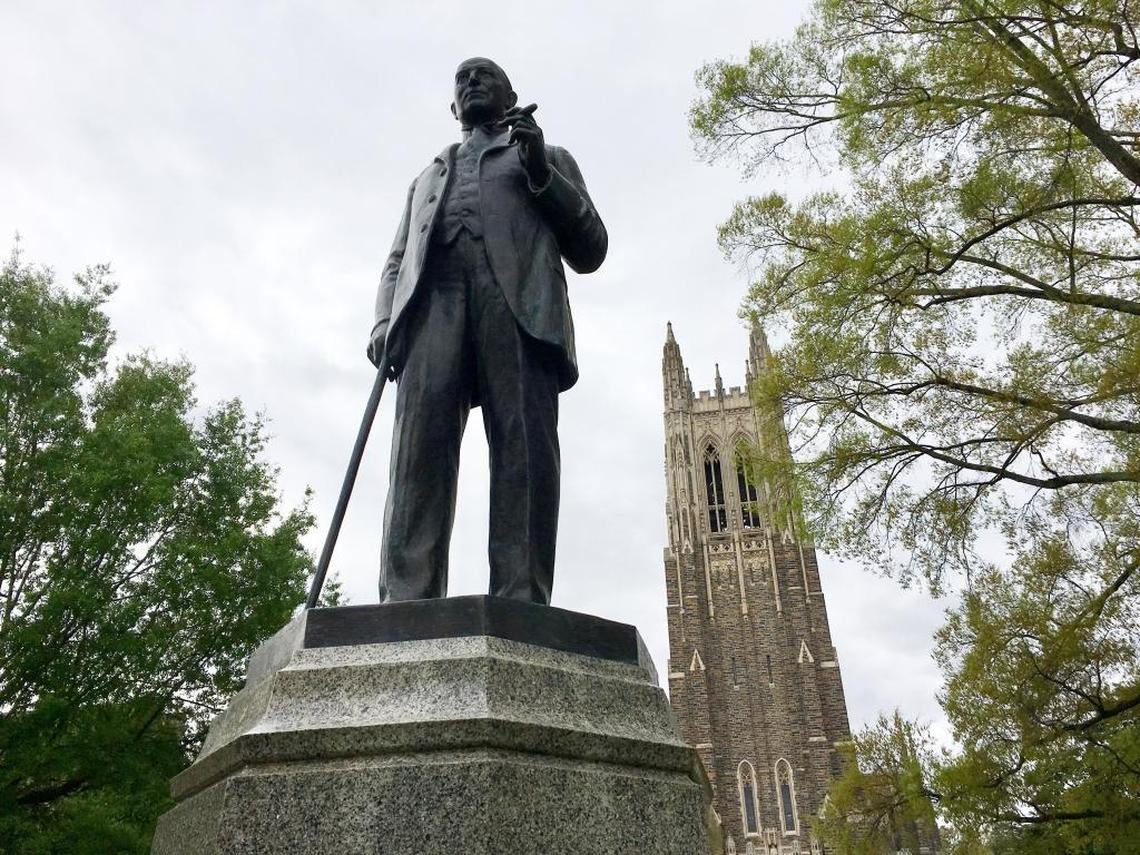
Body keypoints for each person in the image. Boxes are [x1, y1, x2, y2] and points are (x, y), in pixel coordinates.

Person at [367, 57, 607, 605]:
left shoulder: (547, 156)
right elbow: (397, 260)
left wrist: (541, 175)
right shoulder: (428, 177)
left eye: (485, 74)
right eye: (462, 78)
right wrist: (383, 320)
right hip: (434, 308)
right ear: (453, 107)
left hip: (519, 307)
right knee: (417, 451)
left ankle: (521, 595)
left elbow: (591, 249)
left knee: (524, 449)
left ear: (512, 97)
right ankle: (407, 598)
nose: (471, 81)